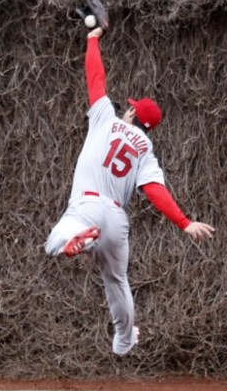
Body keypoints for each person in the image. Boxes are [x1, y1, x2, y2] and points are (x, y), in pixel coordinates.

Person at [45, 26, 215, 356]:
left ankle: (73, 242)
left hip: (87, 207)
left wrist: (92, 38)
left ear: (133, 113)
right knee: (117, 282)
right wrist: (184, 223)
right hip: (116, 218)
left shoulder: (106, 118)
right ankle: (124, 343)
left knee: (54, 243)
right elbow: (154, 190)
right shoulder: (145, 148)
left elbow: (95, 78)